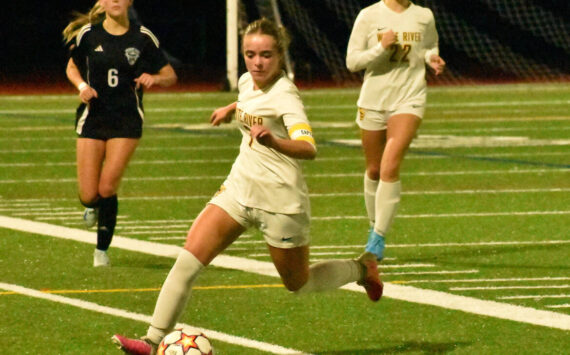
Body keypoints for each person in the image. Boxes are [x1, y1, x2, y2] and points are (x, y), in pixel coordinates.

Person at [112, 18, 382, 355]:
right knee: (188, 259)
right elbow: (249, 103)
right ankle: (152, 342)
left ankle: (362, 268)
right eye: (250, 54)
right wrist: (231, 109)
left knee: (299, 284)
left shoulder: (286, 95)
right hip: (240, 188)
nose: (257, 62)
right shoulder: (246, 81)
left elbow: (308, 147)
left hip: (280, 201)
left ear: (281, 56)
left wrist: (273, 141)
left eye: (266, 55)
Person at [63, 0, 177, 267]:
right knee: (89, 194)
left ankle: (101, 250)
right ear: (102, 2)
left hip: (126, 121)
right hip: (94, 118)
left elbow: (169, 74)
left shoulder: (142, 37)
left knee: (107, 187)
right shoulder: (88, 35)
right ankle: (91, 206)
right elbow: (72, 67)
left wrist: (155, 79)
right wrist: (81, 86)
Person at [346, 0, 445, 261]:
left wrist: (430, 57)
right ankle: (374, 224)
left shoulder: (424, 15)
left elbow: (429, 45)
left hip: (410, 98)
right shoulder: (368, 16)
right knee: (375, 170)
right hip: (373, 100)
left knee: (390, 165)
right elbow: (352, 61)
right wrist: (380, 47)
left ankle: (377, 239)